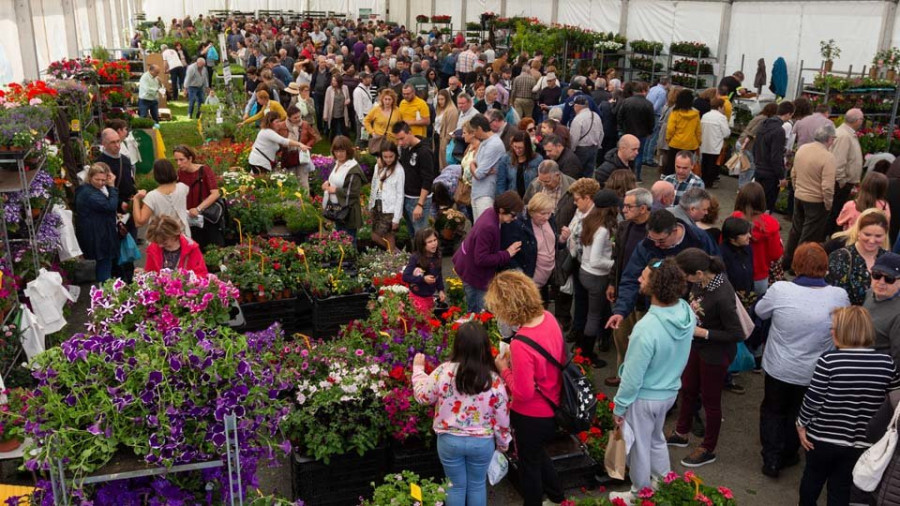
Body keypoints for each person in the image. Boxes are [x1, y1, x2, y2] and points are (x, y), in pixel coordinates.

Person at [755, 242, 851, 478]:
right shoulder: (839, 296)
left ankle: (771, 458)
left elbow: (760, 312)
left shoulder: (781, 290)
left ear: (796, 266)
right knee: (799, 412)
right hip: (814, 371)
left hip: (779, 366)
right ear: (825, 267)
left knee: (773, 410)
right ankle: (788, 453)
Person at [607, 258, 695, 504]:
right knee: (656, 439)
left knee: (638, 449)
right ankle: (664, 481)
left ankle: (639, 494)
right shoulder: (685, 311)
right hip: (669, 392)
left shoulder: (646, 328)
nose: (638, 279)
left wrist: (620, 406)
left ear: (656, 287)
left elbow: (633, 377)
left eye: (644, 277)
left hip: (644, 397)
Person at [797, 306, 900, 506]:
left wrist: (801, 424)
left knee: (812, 480)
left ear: (845, 332)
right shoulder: (887, 363)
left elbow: (813, 399)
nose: (831, 331)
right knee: (841, 488)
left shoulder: (829, 361)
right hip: (860, 442)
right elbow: (894, 400)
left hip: (821, 438)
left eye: (834, 328)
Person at [488, 270, 565, 506]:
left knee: (529, 467)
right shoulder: (548, 318)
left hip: (531, 414)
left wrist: (504, 368)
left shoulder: (521, 342)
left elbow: (523, 392)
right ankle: (558, 496)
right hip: (554, 403)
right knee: (538, 454)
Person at [412, 321, 510, 506]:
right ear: (484, 348)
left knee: (455, 486)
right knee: (477, 485)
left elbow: (423, 396)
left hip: (449, 440)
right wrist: (503, 443)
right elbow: (502, 416)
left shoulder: (444, 371)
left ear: (457, 345)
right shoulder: (494, 380)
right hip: (482, 442)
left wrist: (418, 370)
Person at [667, 248, 744, 468]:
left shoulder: (722, 295)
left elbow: (736, 333)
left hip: (715, 354)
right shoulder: (700, 283)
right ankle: (682, 432)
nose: (684, 280)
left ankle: (708, 447)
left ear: (699, 273)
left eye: (686, 276)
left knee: (711, 401)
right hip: (696, 346)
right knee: (688, 388)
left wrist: (705, 333)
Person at [606, 209, 720, 332]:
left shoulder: (700, 239)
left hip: (693, 310)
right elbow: (630, 279)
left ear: (675, 231)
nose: (656, 245)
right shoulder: (645, 246)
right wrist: (621, 310)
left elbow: (717, 270)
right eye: (652, 238)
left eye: (661, 240)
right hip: (658, 310)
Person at [604, 188, 653, 386]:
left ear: (643, 208)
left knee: (641, 344)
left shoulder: (654, 232)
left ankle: (639, 381)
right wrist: (611, 282)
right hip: (623, 292)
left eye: (628, 206)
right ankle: (622, 374)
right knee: (621, 337)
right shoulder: (625, 227)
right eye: (623, 205)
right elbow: (618, 258)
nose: (623, 209)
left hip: (644, 299)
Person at [452, 191, 523, 313]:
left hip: (469, 268)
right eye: (513, 214)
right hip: (474, 276)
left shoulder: (491, 212)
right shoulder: (489, 227)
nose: (515, 218)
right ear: (501, 210)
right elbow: (481, 259)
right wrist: (507, 253)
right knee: (480, 313)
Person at [782, 124, 838, 269]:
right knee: (809, 235)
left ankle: (787, 261)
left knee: (795, 230)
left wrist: (796, 189)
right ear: (830, 139)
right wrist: (828, 203)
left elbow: (794, 173)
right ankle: (799, 265)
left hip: (800, 195)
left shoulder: (802, 149)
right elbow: (827, 186)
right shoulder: (828, 157)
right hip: (816, 200)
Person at [577, 190, 619, 366]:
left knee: (586, 313)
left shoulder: (589, 221)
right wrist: (614, 264)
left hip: (584, 272)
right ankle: (587, 355)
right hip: (596, 277)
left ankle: (581, 348)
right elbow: (596, 260)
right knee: (594, 316)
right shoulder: (602, 230)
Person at [565, 178, 603, 353]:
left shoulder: (596, 217)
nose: (574, 202)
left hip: (589, 267)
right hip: (578, 263)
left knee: (590, 307)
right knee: (580, 302)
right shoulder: (581, 212)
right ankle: (578, 331)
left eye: (577, 199)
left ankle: (585, 346)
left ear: (588, 198)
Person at [500, 192, 562, 298]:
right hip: (528, 283)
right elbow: (507, 253)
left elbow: (554, 244)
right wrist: (521, 275)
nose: (546, 217)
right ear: (532, 212)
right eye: (542, 213)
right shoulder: (517, 225)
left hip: (546, 281)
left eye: (549, 213)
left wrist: (562, 240)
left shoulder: (550, 219)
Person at [827, 209, 891, 306]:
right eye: (867, 234)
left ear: (885, 235)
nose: (872, 240)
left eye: (878, 236)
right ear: (858, 232)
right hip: (848, 318)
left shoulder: (890, 259)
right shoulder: (840, 257)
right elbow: (832, 296)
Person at [733, 182, 783, 295]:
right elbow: (776, 254)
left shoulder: (733, 220)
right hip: (759, 276)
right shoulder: (771, 224)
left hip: (736, 273)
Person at [75, 163, 119, 283]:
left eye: (103, 180)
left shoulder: (85, 189)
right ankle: (106, 294)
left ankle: (105, 291)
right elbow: (111, 206)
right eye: (97, 179)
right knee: (104, 264)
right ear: (90, 177)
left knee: (104, 263)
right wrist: (112, 187)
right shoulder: (90, 194)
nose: (100, 183)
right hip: (99, 235)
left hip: (98, 232)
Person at [172, 145, 222, 251]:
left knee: (208, 247)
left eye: (181, 159)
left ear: (190, 158)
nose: (178, 163)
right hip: (189, 218)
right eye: (176, 160)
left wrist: (198, 208)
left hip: (205, 216)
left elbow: (215, 193)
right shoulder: (179, 173)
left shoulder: (204, 170)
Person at [395, 121, 437, 238]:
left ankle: (426, 256)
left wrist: (420, 204)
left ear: (410, 133)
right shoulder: (405, 148)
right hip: (407, 197)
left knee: (422, 236)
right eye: (397, 139)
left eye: (402, 138)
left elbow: (428, 179)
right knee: (413, 235)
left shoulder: (424, 151)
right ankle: (416, 256)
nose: (400, 143)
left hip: (418, 199)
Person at [827, 108, 865, 237]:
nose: (862, 122)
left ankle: (830, 237)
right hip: (840, 183)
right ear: (857, 120)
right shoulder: (844, 135)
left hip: (843, 182)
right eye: (862, 119)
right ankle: (828, 238)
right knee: (835, 213)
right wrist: (841, 180)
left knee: (836, 213)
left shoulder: (847, 134)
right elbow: (839, 161)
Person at [131, 159, 191, 238]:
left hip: (162, 239)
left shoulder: (152, 196)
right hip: (183, 236)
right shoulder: (183, 188)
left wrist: (136, 199)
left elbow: (139, 222)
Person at [322, 136, 366, 242]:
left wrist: (334, 190)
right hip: (337, 211)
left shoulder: (353, 169)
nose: (339, 154)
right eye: (336, 151)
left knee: (349, 242)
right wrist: (327, 184)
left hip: (348, 213)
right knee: (340, 241)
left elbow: (353, 193)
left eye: (342, 151)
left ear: (348, 151)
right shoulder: (337, 163)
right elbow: (334, 180)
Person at [754, 101, 795, 212]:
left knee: (757, 200)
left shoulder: (763, 124)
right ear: (788, 114)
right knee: (767, 203)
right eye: (791, 115)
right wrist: (781, 176)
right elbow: (776, 155)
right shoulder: (779, 130)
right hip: (770, 172)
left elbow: (756, 145)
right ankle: (765, 225)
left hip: (759, 167)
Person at [368, 141, 405, 252]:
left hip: (390, 208)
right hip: (378, 205)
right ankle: (396, 254)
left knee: (387, 235)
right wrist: (371, 204)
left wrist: (396, 218)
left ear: (396, 155)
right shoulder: (378, 166)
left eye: (391, 157)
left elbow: (400, 195)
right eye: (385, 157)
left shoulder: (399, 171)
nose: (388, 159)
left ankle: (393, 254)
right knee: (376, 236)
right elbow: (374, 185)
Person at [144, 215, 208, 277]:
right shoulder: (153, 248)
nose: (160, 245)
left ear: (173, 235)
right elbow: (150, 272)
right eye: (157, 242)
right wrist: (144, 274)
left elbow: (202, 275)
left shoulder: (191, 248)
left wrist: (182, 279)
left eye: (164, 242)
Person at [616, 82, 655, 178]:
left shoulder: (626, 102)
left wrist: (621, 129)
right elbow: (651, 121)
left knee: (625, 153)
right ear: (644, 91)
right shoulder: (648, 104)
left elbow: (620, 117)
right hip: (642, 133)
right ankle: (636, 175)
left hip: (627, 132)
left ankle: (625, 173)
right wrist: (649, 131)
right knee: (639, 154)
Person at [403, 228, 445, 314]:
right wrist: (423, 279)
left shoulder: (437, 255)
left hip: (429, 296)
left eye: (435, 240)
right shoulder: (415, 258)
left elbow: (438, 274)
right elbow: (405, 276)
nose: (434, 244)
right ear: (422, 244)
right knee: (425, 321)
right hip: (417, 296)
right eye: (429, 242)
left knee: (430, 319)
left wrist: (440, 290)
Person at [664, 89, 701, 177]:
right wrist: (699, 142)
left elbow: (670, 129)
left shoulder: (675, 113)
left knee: (672, 166)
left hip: (675, 143)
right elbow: (698, 131)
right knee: (686, 166)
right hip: (690, 144)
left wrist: (668, 139)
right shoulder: (696, 114)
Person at [283, 105, 320, 192]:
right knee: (291, 180)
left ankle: (306, 201)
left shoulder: (305, 125)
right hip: (289, 157)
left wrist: (307, 146)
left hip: (302, 156)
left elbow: (314, 137)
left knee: (303, 180)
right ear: (289, 118)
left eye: (299, 116)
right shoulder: (282, 126)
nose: (298, 119)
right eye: (295, 118)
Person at [496, 131, 542, 198]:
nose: (517, 150)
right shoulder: (505, 159)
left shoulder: (538, 159)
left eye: (520, 148)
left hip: (531, 198)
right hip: (513, 199)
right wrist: (503, 199)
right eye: (515, 147)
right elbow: (501, 182)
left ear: (527, 147)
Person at [568, 95, 603, 179]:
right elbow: (601, 133)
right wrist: (598, 145)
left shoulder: (578, 119)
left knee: (577, 174)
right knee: (589, 175)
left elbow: (574, 138)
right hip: (594, 149)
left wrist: (572, 150)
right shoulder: (596, 116)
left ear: (576, 106)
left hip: (581, 150)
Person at [699, 97, 730, 187]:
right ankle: (709, 182)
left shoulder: (705, 115)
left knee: (704, 163)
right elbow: (726, 133)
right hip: (715, 145)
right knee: (713, 165)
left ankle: (704, 181)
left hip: (704, 144)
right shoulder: (721, 118)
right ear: (720, 107)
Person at [720, 217, 755, 296]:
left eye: (748, 232)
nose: (749, 236)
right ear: (732, 238)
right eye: (744, 234)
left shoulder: (747, 248)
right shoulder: (721, 255)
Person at [435, 89, 460, 169]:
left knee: (444, 164)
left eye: (442, 99)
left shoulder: (452, 110)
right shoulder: (440, 108)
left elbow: (451, 130)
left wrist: (445, 143)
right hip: (437, 137)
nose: (440, 101)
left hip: (445, 140)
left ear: (447, 99)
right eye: (438, 99)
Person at [322, 75, 350, 140]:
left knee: (343, 128)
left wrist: (347, 101)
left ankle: (344, 142)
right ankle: (334, 142)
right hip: (333, 113)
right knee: (334, 129)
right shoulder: (329, 89)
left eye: (334, 80)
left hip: (343, 112)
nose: (333, 82)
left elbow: (348, 98)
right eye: (332, 80)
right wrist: (325, 114)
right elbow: (326, 102)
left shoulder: (345, 88)